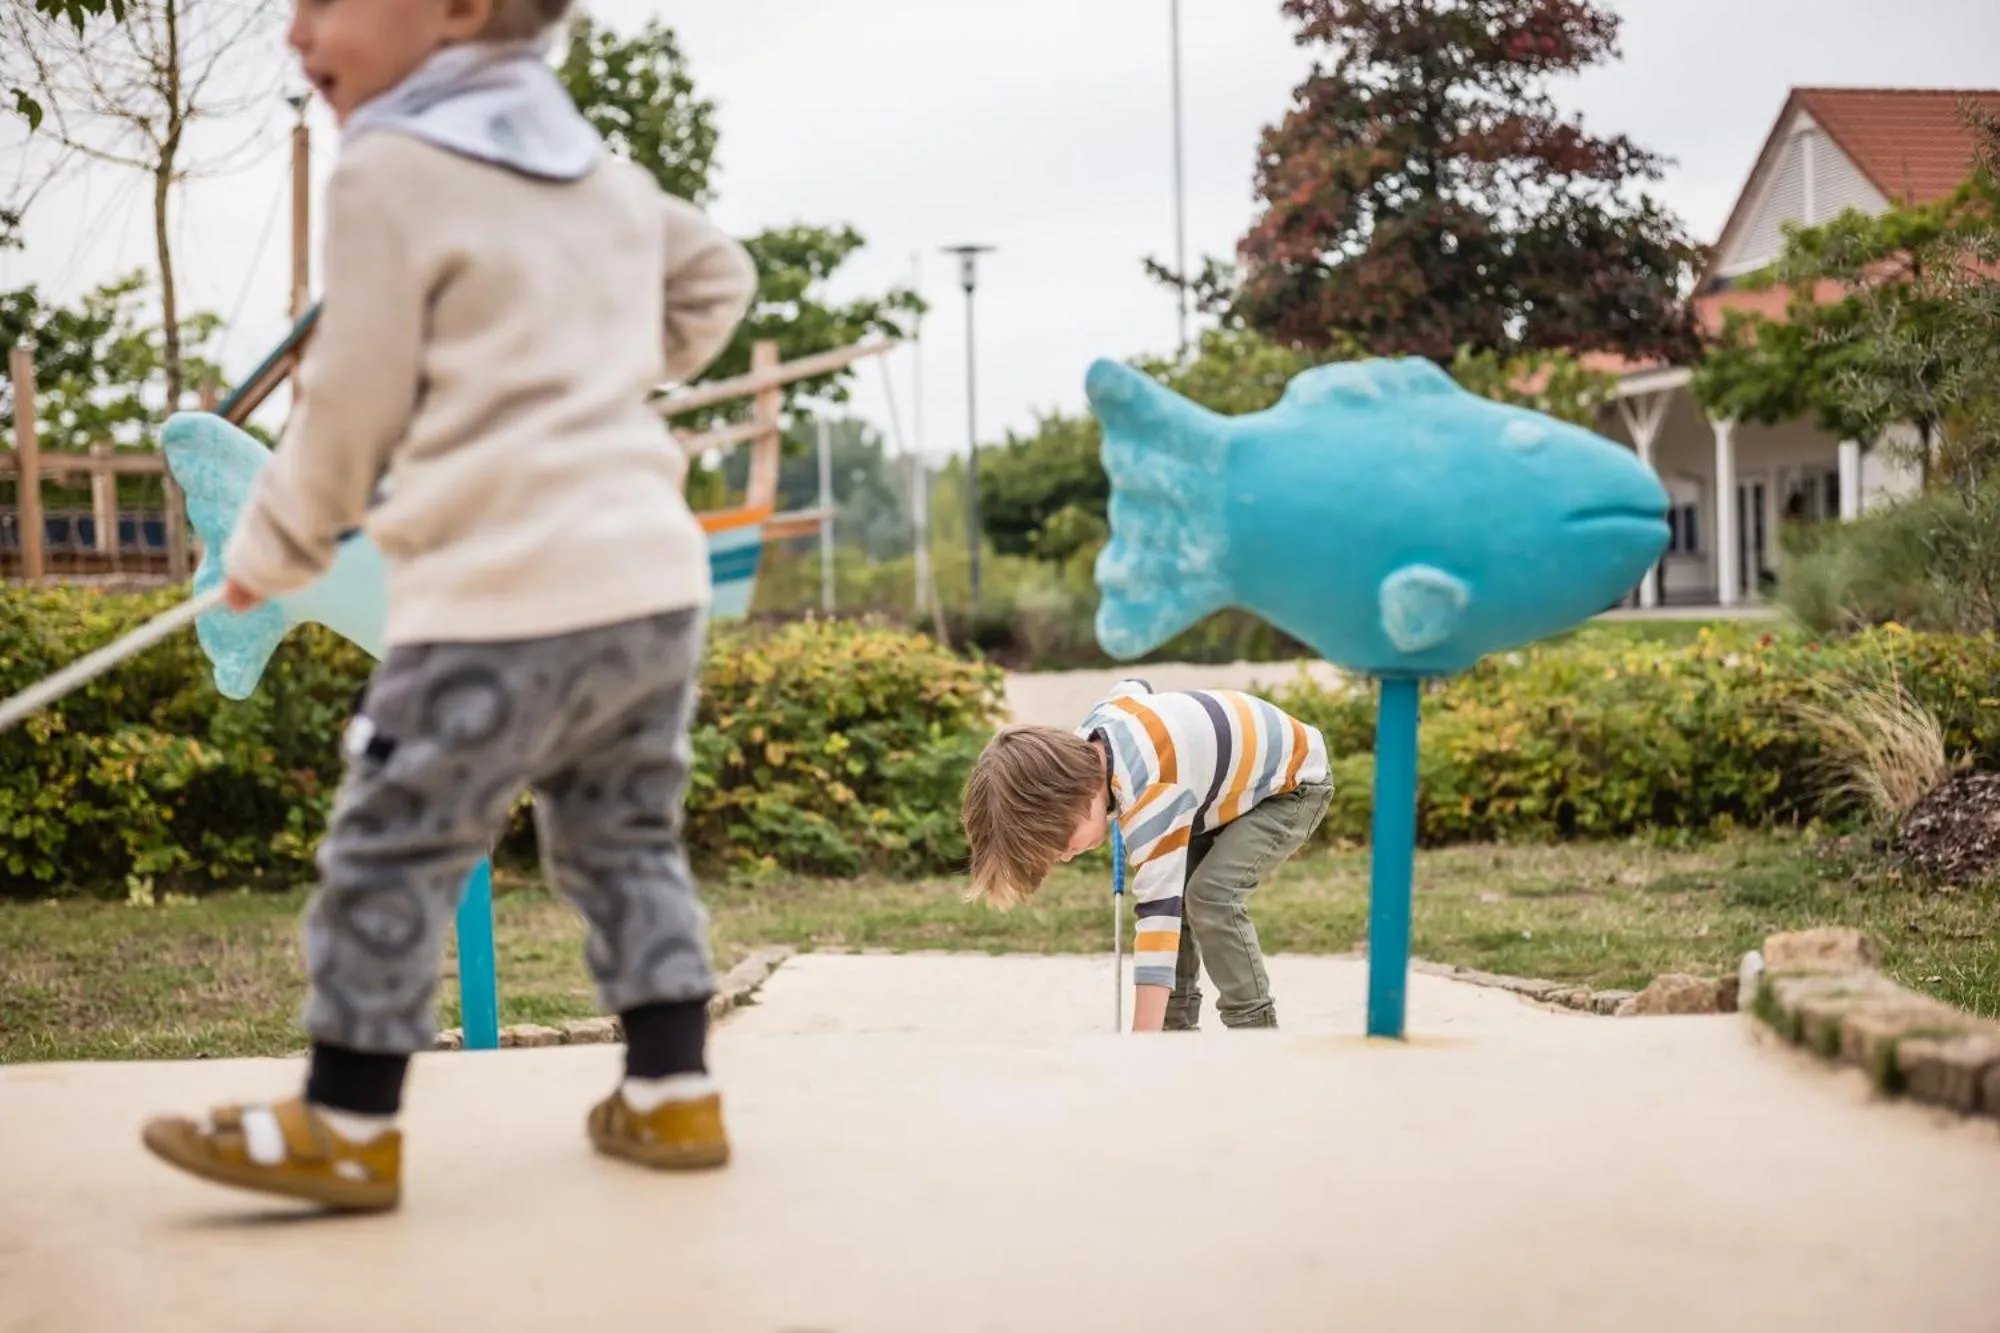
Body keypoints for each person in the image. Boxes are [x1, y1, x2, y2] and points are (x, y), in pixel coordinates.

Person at [140, 0, 758, 1213]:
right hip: (646, 586)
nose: (293, 32)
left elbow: (345, 411)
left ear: (458, 11)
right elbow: (717, 276)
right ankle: (670, 1092)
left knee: (395, 838)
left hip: (500, 592)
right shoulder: (590, 165)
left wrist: (264, 550)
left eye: (324, 2)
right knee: (622, 834)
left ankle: (348, 1120)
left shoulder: (389, 173)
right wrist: (601, 362)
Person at [961, 679, 1332, 1032]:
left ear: (1076, 798)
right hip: (1216, 791)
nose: (1065, 857)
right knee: (1180, 888)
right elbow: (1133, 686)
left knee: (1208, 896)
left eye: (1062, 844)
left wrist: (1140, 1044)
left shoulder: (1152, 797)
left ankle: (1255, 1032)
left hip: (1291, 785)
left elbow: (1158, 921)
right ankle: (1174, 1025)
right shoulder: (1090, 737)